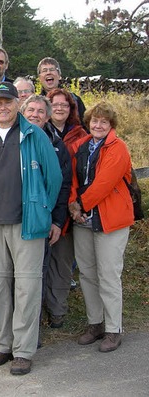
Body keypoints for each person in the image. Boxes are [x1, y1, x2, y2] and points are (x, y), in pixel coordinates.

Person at [0, 82, 62, 375]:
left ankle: (23, 350)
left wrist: (42, 211)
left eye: (8, 102)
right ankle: (1, 344)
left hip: (27, 225)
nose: (3, 107)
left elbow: (54, 178)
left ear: (18, 104)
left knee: (27, 288)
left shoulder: (34, 134)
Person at [68, 102, 133, 353]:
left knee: (108, 275)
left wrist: (80, 205)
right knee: (87, 274)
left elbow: (104, 183)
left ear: (111, 125)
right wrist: (73, 204)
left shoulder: (118, 148)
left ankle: (114, 329)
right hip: (83, 221)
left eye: (103, 122)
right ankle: (95, 323)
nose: (98, 125)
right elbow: (73, 178)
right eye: (94, 121)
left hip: (110, 220)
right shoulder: (81, 146)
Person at [21, 95, 73, 332]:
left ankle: (35, 326)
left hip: (42, 220)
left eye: (40, 111)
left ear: (48, 116)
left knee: (37, 274)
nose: (35, 114)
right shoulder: (11, 139)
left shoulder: (57, 145)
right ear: (22, 111)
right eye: (30, 109)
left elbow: (62, 186)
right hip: (14, 218)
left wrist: (56, 221)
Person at [37, 57, 87, 123]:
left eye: (52, 69)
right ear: (39, 77)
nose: (48, 72)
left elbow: (85, 126)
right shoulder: (36, 103)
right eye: (44, 70)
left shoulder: (74, 100)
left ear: (59, 75)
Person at [46, 88, 89, 156]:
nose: (59, 109)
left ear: (70, 108)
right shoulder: (41, 132)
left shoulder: (80, 134)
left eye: (64, 105)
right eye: (55, 105)